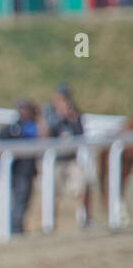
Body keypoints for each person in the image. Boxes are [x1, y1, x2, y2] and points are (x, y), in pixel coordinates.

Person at [44, 83, 95, 226]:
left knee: (83, 186)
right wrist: (61, 116)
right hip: (55, 160)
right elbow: (47, 133)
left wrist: (72, 118)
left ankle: (85, 219)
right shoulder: (50, 113)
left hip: (72, 159)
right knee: (52, 193)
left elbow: (81, 134)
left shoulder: (75, 113)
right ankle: (50, 223)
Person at [0, 100, 41, 236]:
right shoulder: (18, 129)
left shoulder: (27, 127)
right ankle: (16, 230)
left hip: (24, 172)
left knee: (21, 202)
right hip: (18, 173)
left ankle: (16, 229)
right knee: (19, 202)